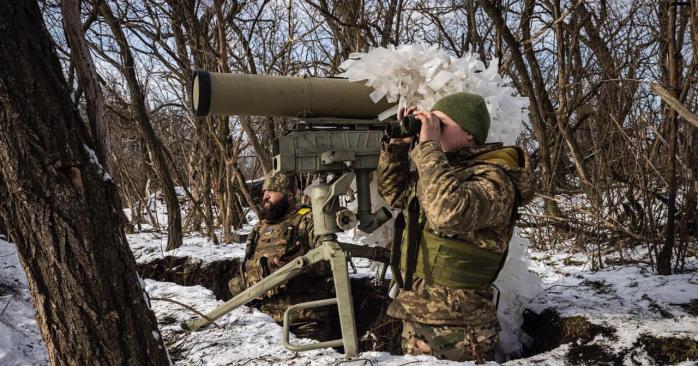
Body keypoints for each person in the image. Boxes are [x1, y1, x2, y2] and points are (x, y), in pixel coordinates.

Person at [377, 92, 534, 362]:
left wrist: (428, 145)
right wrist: (399, 146)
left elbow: (447, 214)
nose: (433, 130)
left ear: (470, 133)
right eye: (432, 123)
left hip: (460, 327)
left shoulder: (494, 178)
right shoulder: (445, 172)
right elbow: (395, 195)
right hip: (418, 313)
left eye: (441, 125)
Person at [228, 171, 334, 340]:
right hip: (264, 322)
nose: (265, 196)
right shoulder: (259, 228)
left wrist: (295, 266)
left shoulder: (308, 220)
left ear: (288, 194)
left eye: (271, 190)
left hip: (304, 322)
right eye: (264, 192)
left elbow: (331, 262)